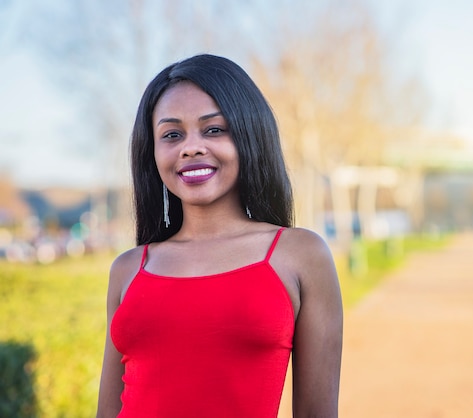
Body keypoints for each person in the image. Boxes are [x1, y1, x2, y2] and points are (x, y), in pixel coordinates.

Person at [96, 54, 343, 418]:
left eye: (214, 129)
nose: (191, 147)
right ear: (153, 152)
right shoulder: (128, 269)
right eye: (172, 134)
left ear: (249, 136)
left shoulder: (299, 255)